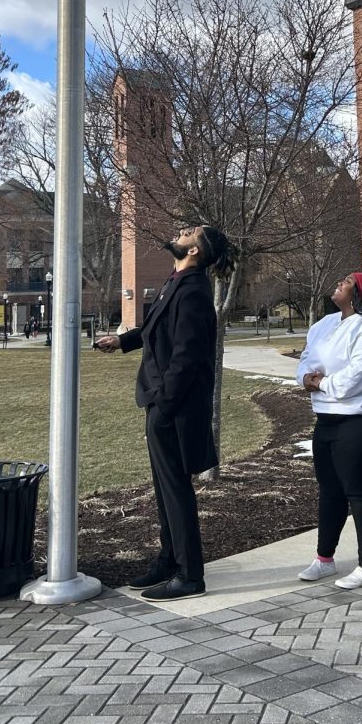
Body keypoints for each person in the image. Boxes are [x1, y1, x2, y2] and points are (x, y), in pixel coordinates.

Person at [96, 223, 236, 601]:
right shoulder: (176, 282)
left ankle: (191, 576)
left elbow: (187, 357)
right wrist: (122, 340)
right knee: (164, 488)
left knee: (176, 491)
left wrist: (164, 403)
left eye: (190, 232)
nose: (181, 231)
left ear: (194, 251)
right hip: (162, 402)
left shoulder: (193, 291)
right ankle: (169, 560)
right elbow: (155, 326)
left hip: (172, 406)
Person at [296, 270, 362, 590]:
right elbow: (305, 361)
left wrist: (320, 382)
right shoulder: (324, 324)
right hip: (326, 420)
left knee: (360, 491)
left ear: (360, 294)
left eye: (348, 281)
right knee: (330, 490)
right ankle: (325, 559)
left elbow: (359, 376)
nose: (340, 281)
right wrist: (306, 379)